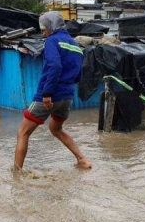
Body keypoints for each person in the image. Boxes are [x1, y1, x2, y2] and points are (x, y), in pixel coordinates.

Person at [14, 11, 92, 170]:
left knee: (22, 132)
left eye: (45, 28)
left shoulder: (52, 41)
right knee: (56, 129)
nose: (43, 32)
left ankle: (16, 173)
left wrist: (47, 93)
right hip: (67, 96)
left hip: (51, 95)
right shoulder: (74, 44)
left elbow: (55, 66)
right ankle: (82, 160)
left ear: (51, 26)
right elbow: (78, 74)